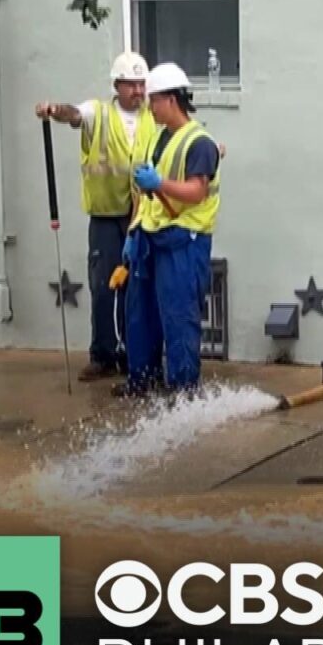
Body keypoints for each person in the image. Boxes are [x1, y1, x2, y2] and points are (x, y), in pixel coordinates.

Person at [35, 51, 155, 383]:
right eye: (132, 85)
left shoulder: (151, 117)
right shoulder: (98, 113)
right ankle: (101, 355)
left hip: (140, 216)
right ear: (117, 85)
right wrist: (55, 110)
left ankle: (134, 356)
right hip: (105, 217)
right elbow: (74, 115)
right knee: (103, 287)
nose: (139, 91)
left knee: (136, 287)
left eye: (142, 84)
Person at [115, 62, 221, 398]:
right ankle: (142, 379)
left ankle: (183, 390)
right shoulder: (158, 138)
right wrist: (133, 233)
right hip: (151, 237)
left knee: (178, 318)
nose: (149, 106)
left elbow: (196, 191)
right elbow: (145, 196)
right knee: (141, 315)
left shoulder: (199, 142)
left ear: (171, 100)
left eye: (154, 100)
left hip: (184, 243)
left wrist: (160, 182)